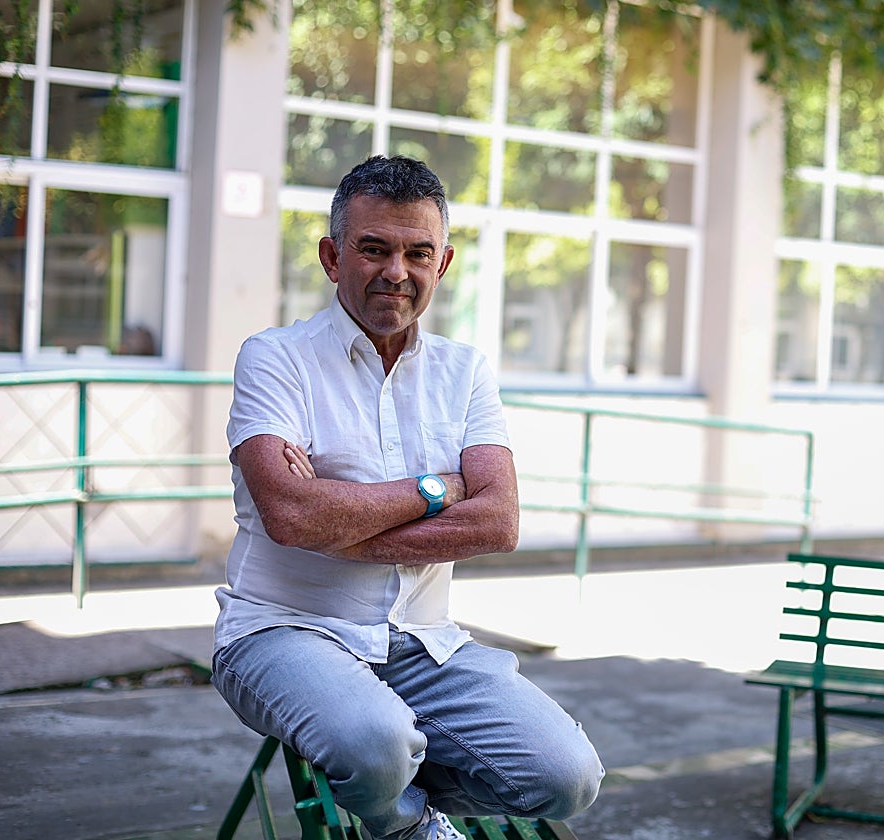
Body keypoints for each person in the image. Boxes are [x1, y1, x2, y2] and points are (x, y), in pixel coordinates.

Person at [211, 155, 603, 840]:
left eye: (417, 252)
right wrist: (439, 490)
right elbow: (290, 513)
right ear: (333, 257)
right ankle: (407, 821)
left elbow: (498, 521)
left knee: (567, 778)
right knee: (374, 743)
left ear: (443, 263)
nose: (397, 271)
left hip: (423, 645)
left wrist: (339, 519)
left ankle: (394, 786)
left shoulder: (465, 372)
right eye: (374, 249)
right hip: (281, 631)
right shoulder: (275, 358)